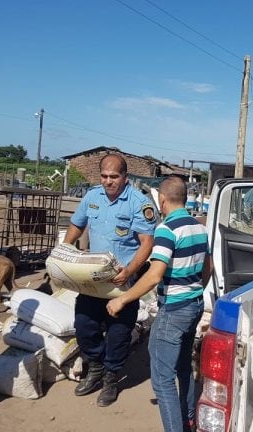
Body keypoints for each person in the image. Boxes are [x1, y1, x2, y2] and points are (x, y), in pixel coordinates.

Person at [107, 176, 212, 432]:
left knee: (163, 381)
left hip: (174, 309)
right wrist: (194, 287)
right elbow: (208, 268)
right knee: (183, 367)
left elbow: (154, 275)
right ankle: (188, 421)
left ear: (162, 200)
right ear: (185, 198)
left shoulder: (166, 230)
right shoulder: (199, 227)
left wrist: (122, 298)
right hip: (194, 305)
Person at [63, 154, 157, 407]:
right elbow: (76, 225)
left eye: (114, 177)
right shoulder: (92, 197)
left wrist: (129, 271)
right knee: (84, 325)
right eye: (104, 176)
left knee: (118, 332)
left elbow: (147, 244)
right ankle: (94, 368)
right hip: (92, 277)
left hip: (123, 280)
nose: (108, 181)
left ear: (125, 177)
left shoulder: (139, 203)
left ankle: (110, 377)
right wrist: (64, 250)